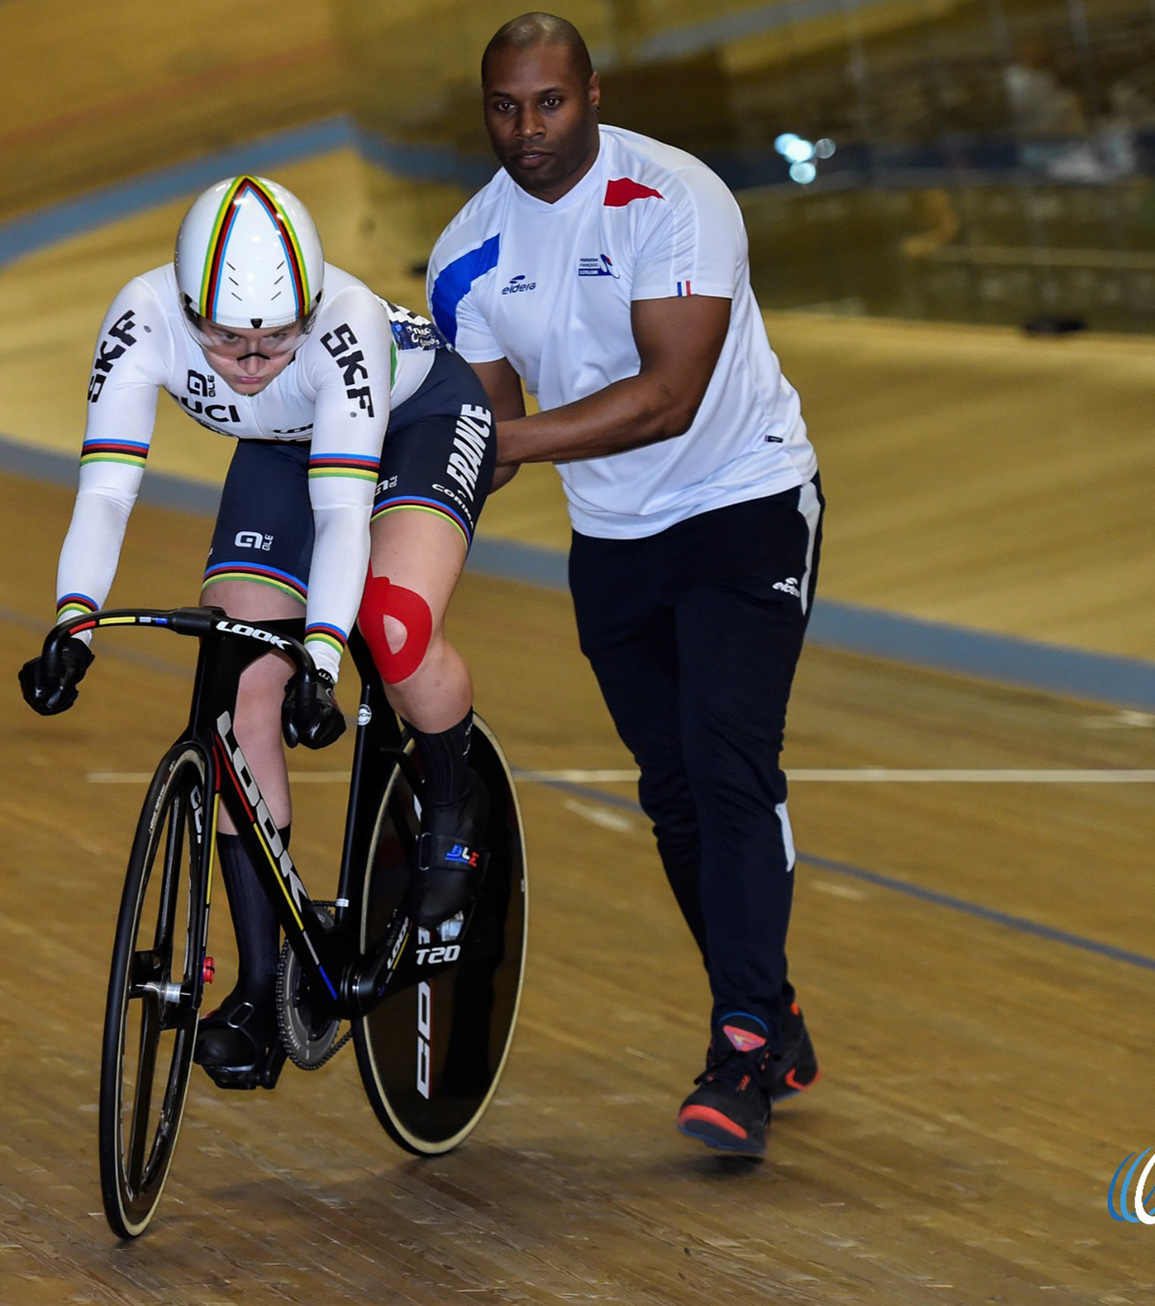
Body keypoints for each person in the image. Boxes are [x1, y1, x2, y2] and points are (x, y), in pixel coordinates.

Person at [424, 13, 822, 1157]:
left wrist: (510, 440)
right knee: (675, 794)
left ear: (591, 95)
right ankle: (772, 1007)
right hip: (612, 537)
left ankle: (741, 1040)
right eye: (505, 106)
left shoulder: (676, 196)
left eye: (549, 102)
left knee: (727, 761)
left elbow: (666, 397)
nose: (527, 128)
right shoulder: (466, 254)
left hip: (743, 502)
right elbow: (491, 438)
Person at [21, 175, 497, 1089]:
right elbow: (108, 490)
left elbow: (344, 513)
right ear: (186, 306)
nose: (246, 363)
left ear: (309, 313)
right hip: (285, 449)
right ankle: (263, 980)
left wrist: (322, 655)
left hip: (417, 422)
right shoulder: (142, 318)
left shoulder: (345, 325)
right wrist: (74, 621)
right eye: (227, 341)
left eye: (274, 339)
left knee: (390, 627)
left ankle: (450, 813)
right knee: (241, 693)